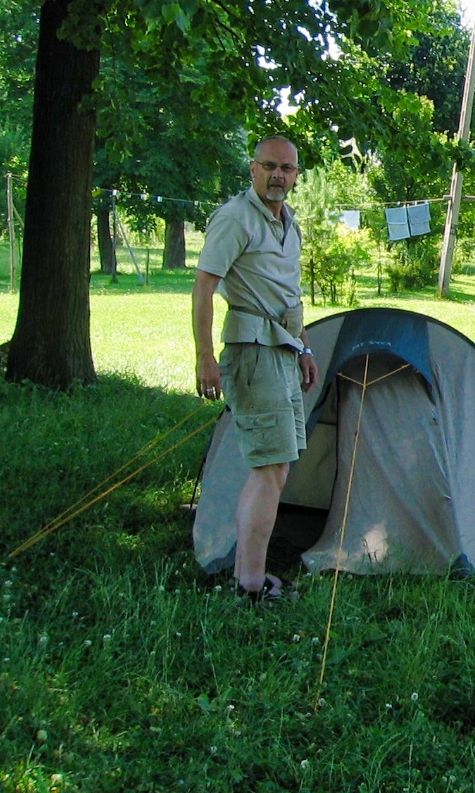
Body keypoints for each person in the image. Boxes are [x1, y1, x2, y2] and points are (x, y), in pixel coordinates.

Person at [192, 136, 319, 602]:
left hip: (283, 352)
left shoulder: (289, 223)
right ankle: (250, 584)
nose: (278, 176)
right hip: (251, 351)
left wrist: (305, 348)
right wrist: (205, 357)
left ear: (296, 174)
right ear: (253, 169)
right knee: (269, 469)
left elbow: (290, 296)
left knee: (276, 468)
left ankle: (249, 576)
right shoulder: (235, 218)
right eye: (269, 166)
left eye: (287, 168)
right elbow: (204, 287)